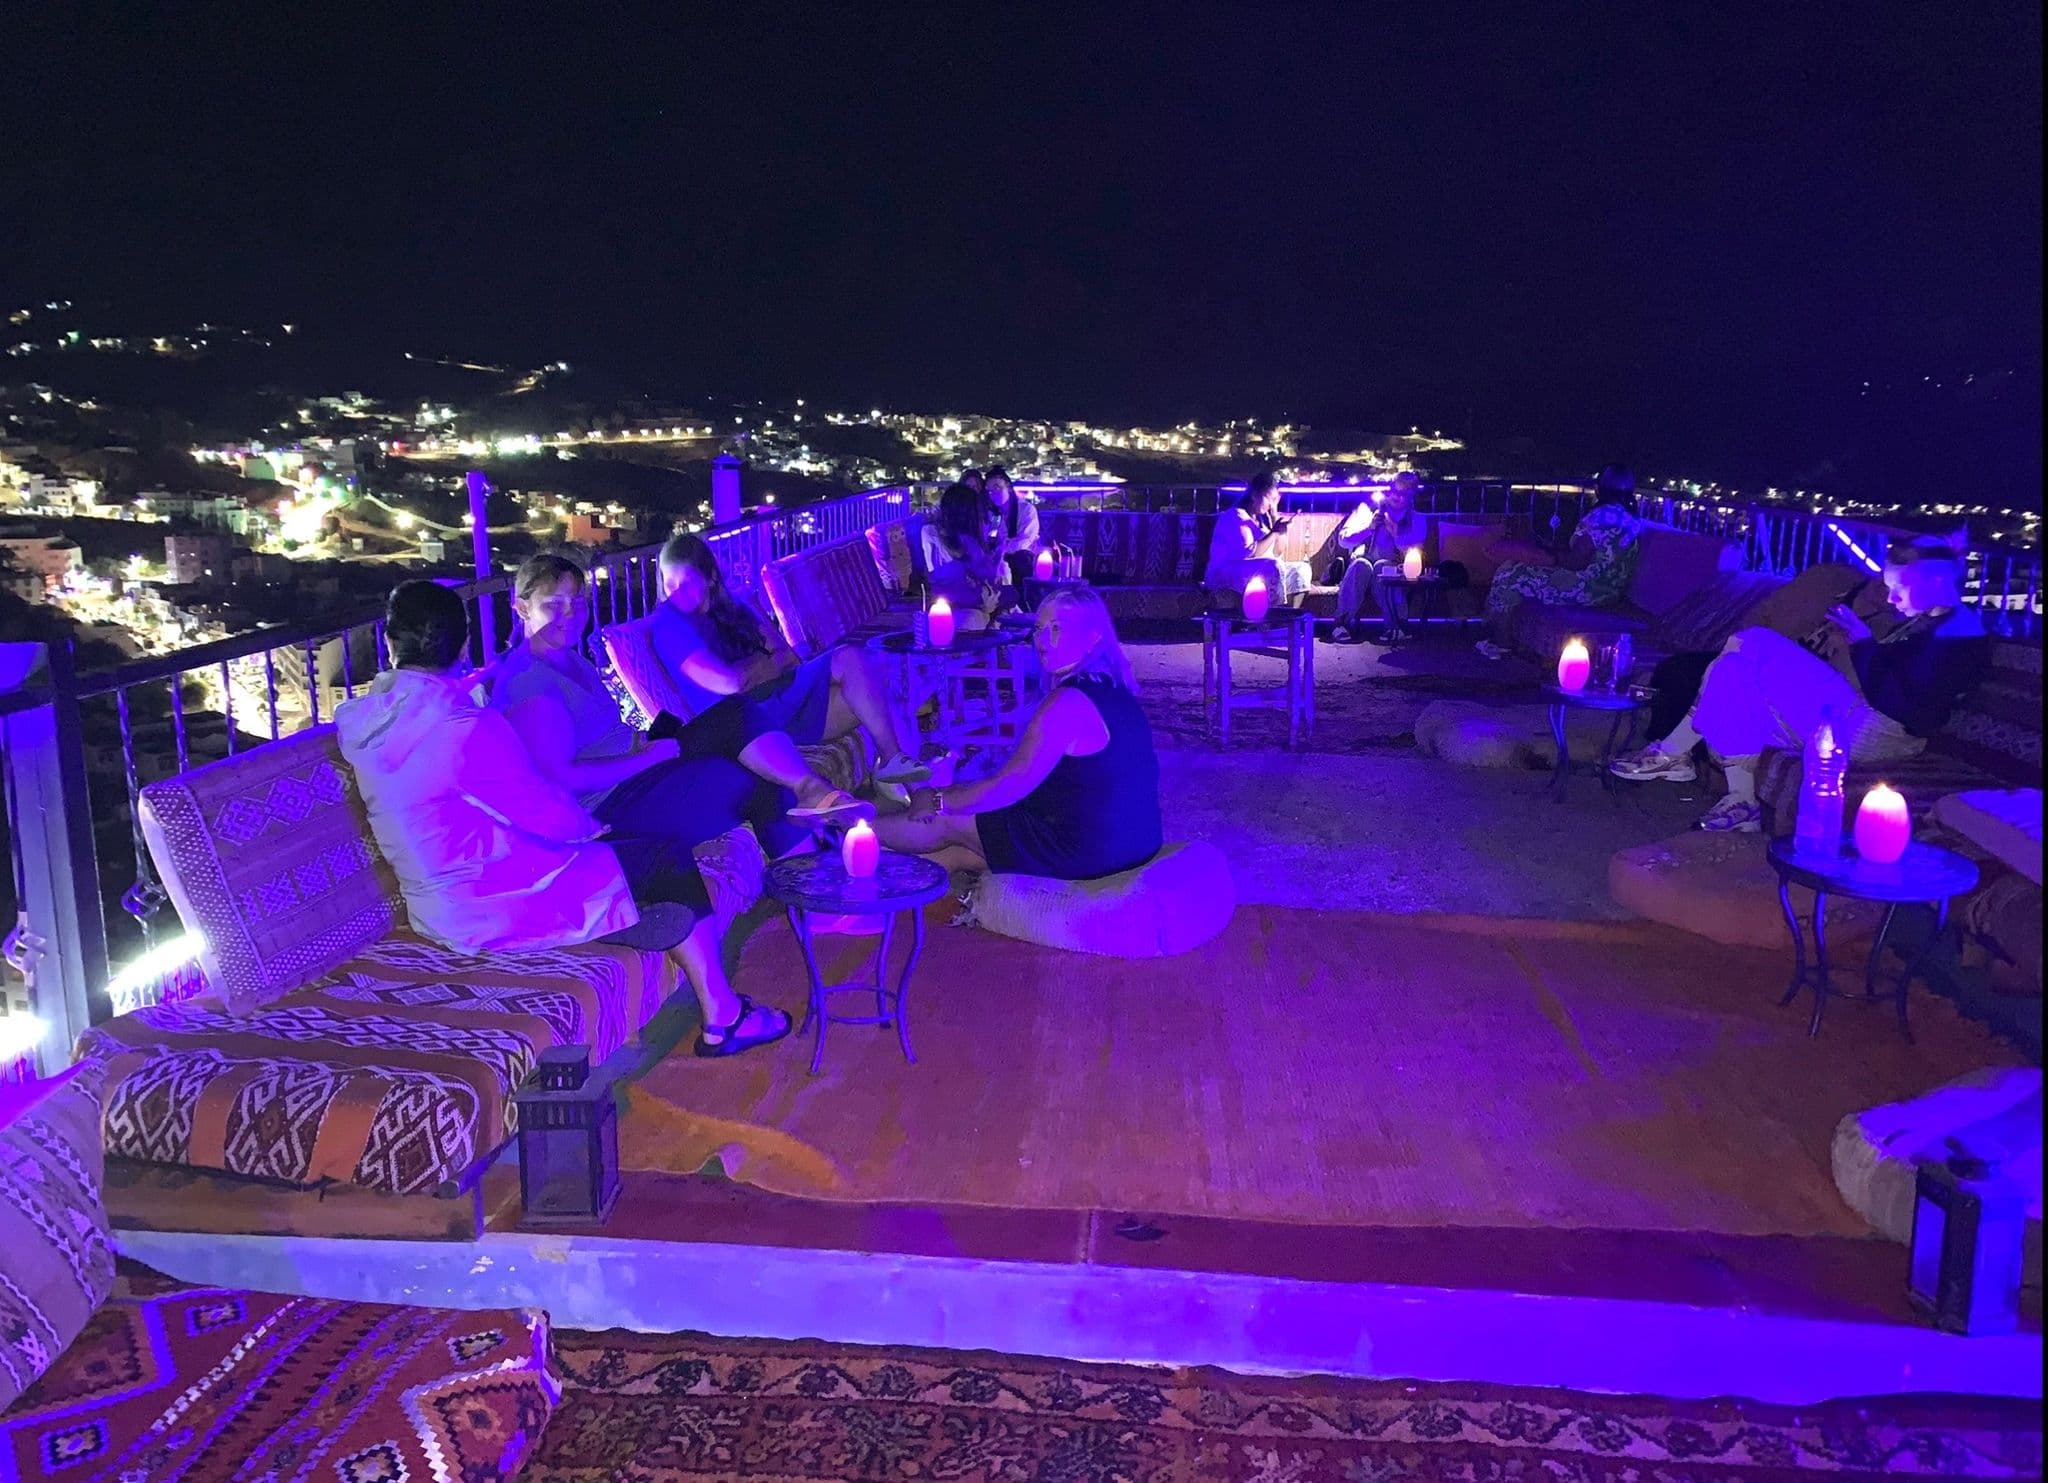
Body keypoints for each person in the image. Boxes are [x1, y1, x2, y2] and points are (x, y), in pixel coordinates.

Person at [335, 580, 790, 1058]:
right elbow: (546, 815)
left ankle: (654, 921)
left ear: (390, 644)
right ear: (464, 644)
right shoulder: (465, 725)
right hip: (493, 901)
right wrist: (602, 836)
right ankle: (724, 1016)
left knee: (648, 871)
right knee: (663, 855)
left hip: (440, 903)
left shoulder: (368, 723)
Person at [1610, 540, 1990, 832]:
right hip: (1867, 719)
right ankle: (1741, 803)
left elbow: (1900, 704)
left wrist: (1861, 643)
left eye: (1899, 589)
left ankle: (1673, 752)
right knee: (1736, 672)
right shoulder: (1940, 623)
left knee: (1753, 642)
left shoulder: (1958, 633)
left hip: (1878, 732)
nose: (1891, 599)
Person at [875, 585, 1162, 879]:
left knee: (946, 820)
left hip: (1089, 849)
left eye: (1057, 628)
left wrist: (938, 799)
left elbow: (1009, 784)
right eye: (1039, 628)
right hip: (1136, 841)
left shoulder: (1067, 702)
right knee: (962, 852)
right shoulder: (1115, 689)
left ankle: (850, 830)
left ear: (1093, 638)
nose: (1043, 640)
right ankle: (880, 879)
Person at [648, 531, 927, 799]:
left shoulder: (737, 610)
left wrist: (760, 668)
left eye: (684, 583)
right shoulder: (670, 624)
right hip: (745, 724)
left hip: (779, 704)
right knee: (849, 657)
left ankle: (911, 785)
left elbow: (788, 657)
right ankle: (893, 766)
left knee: (872, 685)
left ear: (709, 578)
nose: (675, 594)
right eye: (669, 584)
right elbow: (729, 684)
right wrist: (764, 663)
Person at [1476, 464, 1643, 658]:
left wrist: (1544, 556)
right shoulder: (1632, 519)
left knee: (1510, 574)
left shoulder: (1600, 517)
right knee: (1520, 569)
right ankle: (1502, 633)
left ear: (1600, 489)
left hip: (1587, 589)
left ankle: (1500, 643)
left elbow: (1576, 561)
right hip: (1610, 590)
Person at [1331, 471, 1431, 642]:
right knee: (1360, 564)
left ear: (1412, 496)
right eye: (1395, 491)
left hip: (1393, 571)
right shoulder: (1368, 510)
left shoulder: (1417, 520)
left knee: (1383, 567)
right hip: (1362, 569)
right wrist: (1368, 529)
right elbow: (1343, 541)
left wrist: (1396, 535)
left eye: (1404, 493)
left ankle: (1396, 626)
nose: (1397, 497)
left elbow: (1416, 558)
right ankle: (1341, 624)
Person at [1205, 471, 1312, 606]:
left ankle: (1292, 614)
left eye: (1275, 500)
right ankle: (1272, 617)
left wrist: (1275, 518)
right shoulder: (1237, 516)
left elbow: (1278, 552)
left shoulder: (1262, 519)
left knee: (1301, 569)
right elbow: (1250, 553)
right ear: (1255, 495)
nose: (1271, 505)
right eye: (1269, 499)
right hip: (1228, 571)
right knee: (1272, 566)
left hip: (1255, 569)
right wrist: (1273, 533)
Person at [920, 481, 1007, 629]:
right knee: (981, 616)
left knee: (1008, 600)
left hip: (974, 597)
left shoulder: (971, 540)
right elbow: (942, 578)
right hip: (952, 602)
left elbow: (985, 574)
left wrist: (997, 559)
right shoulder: (932, 534)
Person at [983, 466, 1043, 588]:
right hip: (1000, 556)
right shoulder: (995, 516)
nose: (993, 494)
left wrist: (1002, 550)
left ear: (1008, 488)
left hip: (1024, 556)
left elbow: (1025, 540)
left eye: (997, 488)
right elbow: (991, 538)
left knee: (1019, 559)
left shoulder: (1026, 509)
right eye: (990, 491)